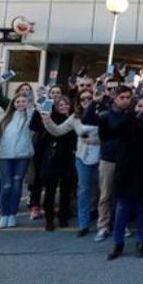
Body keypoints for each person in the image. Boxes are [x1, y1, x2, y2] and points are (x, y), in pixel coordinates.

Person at [105, 96, 143, 260]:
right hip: (127, 170)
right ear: (134, 107)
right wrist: (131, 118)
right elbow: (113, 130)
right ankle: (118, 243)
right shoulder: (126, 120)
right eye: (140, 106)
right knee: (122, 207)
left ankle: (141, 242)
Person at [41, 89, 100, 236]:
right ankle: (83, 224)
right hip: (82, 157)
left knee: (103, 192)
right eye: (83, 99)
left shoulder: (101, 114)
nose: (86, 101)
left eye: (89, 98)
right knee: (84, 190)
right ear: (78, 102)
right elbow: (57, 131)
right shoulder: (75, 117)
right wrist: (47, 120)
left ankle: (104, 224)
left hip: (101, 157)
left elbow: (109, 135)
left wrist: (93, 140)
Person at [82, 84, 133, 242]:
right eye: (121, 97)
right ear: (114, 98)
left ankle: (120, 224)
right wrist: (93, 103)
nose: (125, 101)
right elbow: (86, 120)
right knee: (105, 195)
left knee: (122, 195)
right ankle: (103, 226)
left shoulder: (132, 114)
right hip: (108, 158)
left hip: (126, 159)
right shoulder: (105, 113)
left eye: (128, 97)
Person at [34, 97, 77, 231]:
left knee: (66, 191)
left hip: (68, 158)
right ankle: (49, 219)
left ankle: (63, 216)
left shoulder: (74, 118)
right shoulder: (51, 118)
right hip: (53, 158)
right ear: (56, 107)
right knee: (50, 191)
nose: (64, 106)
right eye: (60, 104)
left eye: (66, 104)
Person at [0, 94, 35, 229]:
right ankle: (4, 214)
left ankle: (12, 214)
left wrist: (32, 106)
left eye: (24, 101)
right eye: (18, 101)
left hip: (22, 155)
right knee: (7, 185)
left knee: (17, 184)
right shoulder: (5, 119)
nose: (21, 103)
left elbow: (34, 118)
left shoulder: (29, 117)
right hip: (5, 156)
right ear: (13, 103)